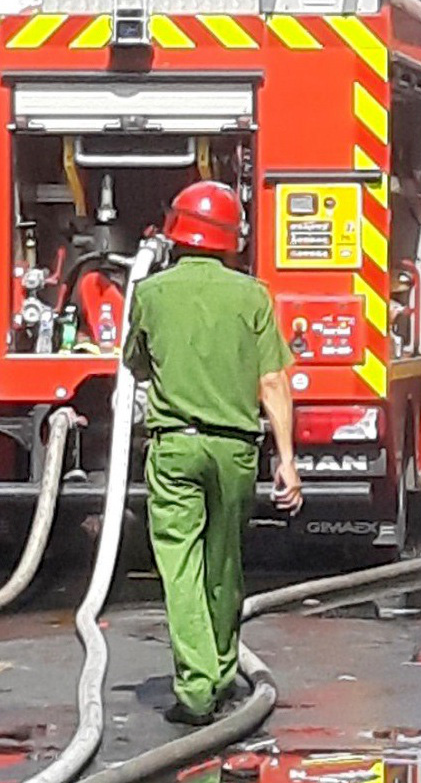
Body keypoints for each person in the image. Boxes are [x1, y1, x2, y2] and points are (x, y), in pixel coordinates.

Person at [122, 180, 303, 727]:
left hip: (176, 445)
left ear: (175, 233)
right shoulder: (252, 295)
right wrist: (287, 460)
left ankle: (198, 687)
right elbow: (273, 381)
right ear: (231, 238)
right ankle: (222, 670)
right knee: (225, 563)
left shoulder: (151, 294)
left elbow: (136, 362)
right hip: (236, 450)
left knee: (180, 565)